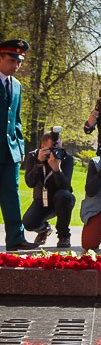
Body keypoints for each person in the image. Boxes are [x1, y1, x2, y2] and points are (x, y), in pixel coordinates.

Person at [0, 38, 38, 251]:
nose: (16, 65)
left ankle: (15, 239)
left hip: (10, 151)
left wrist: (20, 148)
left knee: (11, 195)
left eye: (20, 61)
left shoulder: (17, 86)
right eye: (12, 60)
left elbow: (16, 120)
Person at [22, 130, 75, 248]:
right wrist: (38, 164)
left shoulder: (66, 158)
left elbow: (65, 187)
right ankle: (44, 229)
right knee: (28, 223)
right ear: (42, 146)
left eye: (58, 149)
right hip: (41, 200)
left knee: (63, 195)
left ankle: (63, 235)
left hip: (62, 200)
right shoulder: (33, 156)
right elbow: (30, 183)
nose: (54, 153)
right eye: (50, 149)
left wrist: (57, 169)